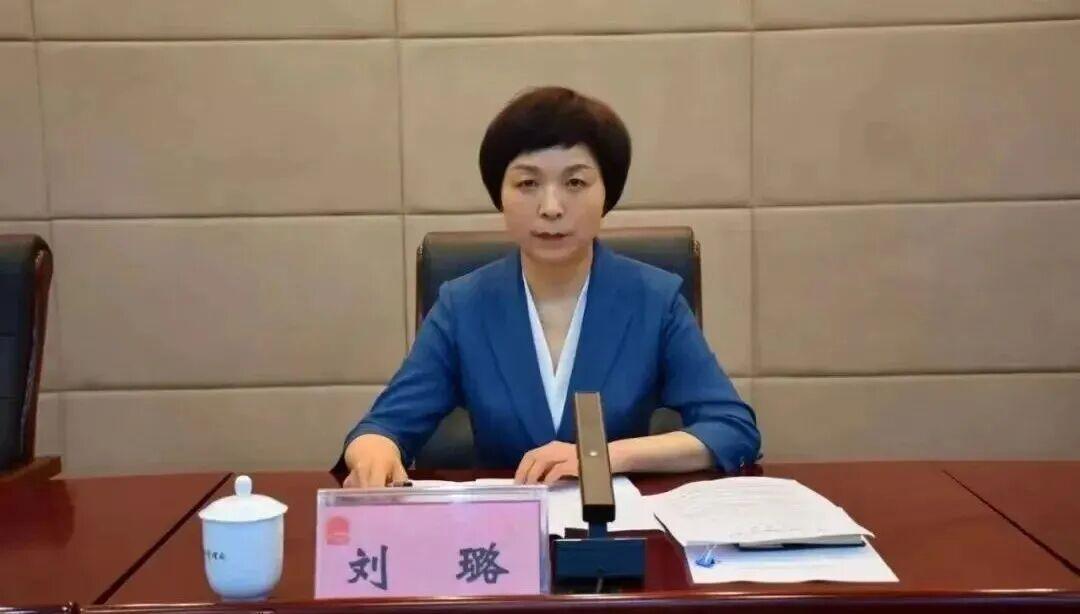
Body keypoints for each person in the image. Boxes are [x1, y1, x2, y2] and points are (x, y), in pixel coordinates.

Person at [338, 86, 760, 487]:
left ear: (606, 193)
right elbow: (381, 428)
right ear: (500, 195)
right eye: (528, 184)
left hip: (615, 525)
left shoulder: (654, 299)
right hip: (502, 528)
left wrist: (604, 456)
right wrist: (374, 452)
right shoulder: (463, 305)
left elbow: (732, 429)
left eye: (575, 183)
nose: (551, 208)